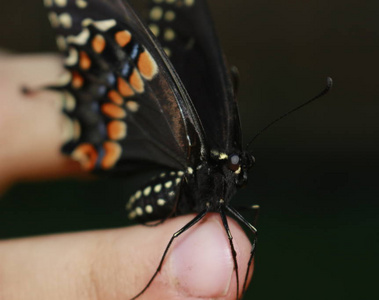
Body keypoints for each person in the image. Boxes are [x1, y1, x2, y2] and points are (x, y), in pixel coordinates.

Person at [0, 53, 253, 300]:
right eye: (235, 164)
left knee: (245, 223)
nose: (238, 170)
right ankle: (153, 276)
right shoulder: (210, 166)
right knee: (196, 235)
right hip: (161, 193)